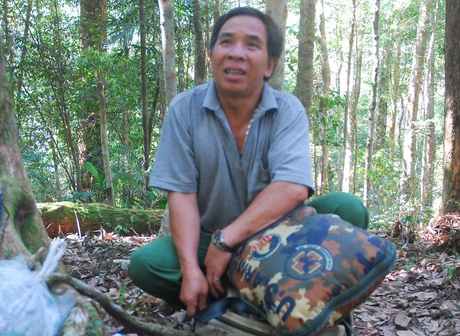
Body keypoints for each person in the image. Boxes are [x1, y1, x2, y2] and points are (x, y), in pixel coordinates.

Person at [129, 7, 369, 319]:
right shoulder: (184, 110)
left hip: (282, 242)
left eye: (252, 45)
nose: (237, 53)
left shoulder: (288, 110)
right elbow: (181, 195)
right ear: (212, 54)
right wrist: (190, 268)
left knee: (347, 209)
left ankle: (254, 299)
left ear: (269, 65)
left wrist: (226, 242)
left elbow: (293, 189)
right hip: (208, 241)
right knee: (146, 263)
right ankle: (255, 299)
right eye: (226, 42)